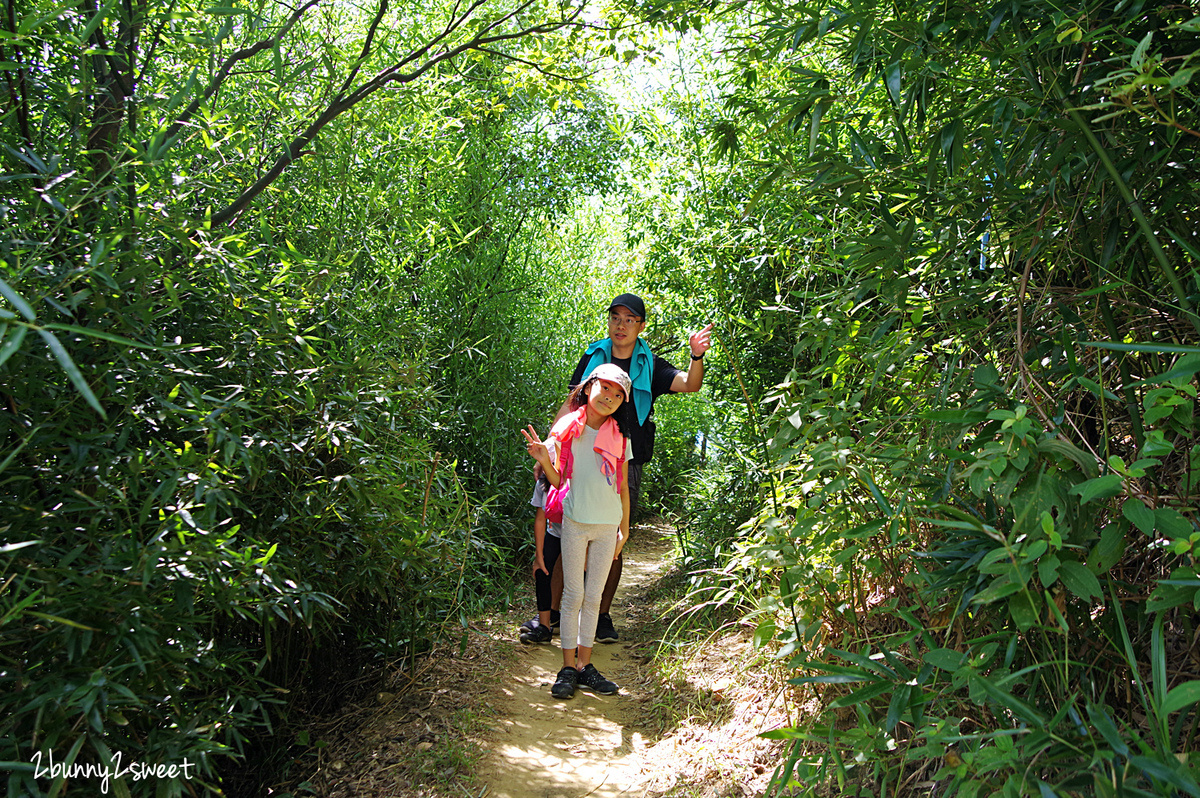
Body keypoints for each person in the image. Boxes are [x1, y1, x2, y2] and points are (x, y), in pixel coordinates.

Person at [519, 294, 711, 644]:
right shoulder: (594, 356)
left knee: (613, 536)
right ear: (609, 321)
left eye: (630, 319)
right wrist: (547, 450)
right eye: (616, 317)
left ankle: (602, 615)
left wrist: (697, 355)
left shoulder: (649, 364)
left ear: (640, 326)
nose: (621, 325)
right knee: (563, 531)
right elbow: (570, 404)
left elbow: (690, 383)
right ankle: (554, 615)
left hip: (624, 460)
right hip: (575, 453)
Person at [520, 363, 634, 699]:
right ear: (588, 388)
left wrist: (624, 531)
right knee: (572, 597)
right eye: (605, 389)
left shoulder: (620, 437)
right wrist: (543, 456)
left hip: (607, 524)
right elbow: (558, 481)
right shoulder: (568, 429)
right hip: (575, 522)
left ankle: (585, 665)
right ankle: (567, 666)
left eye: (618, 395)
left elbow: (623, 487)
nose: (610, 398)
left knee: (594, 598)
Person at [518, 465, 560, 644]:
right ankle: (544, 627)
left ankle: (579, 636)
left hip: (579, 535)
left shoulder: (576, 479)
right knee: (542, 571)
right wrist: (538, 556)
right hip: (555, 533)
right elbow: (540, 519)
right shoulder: (543, 483)